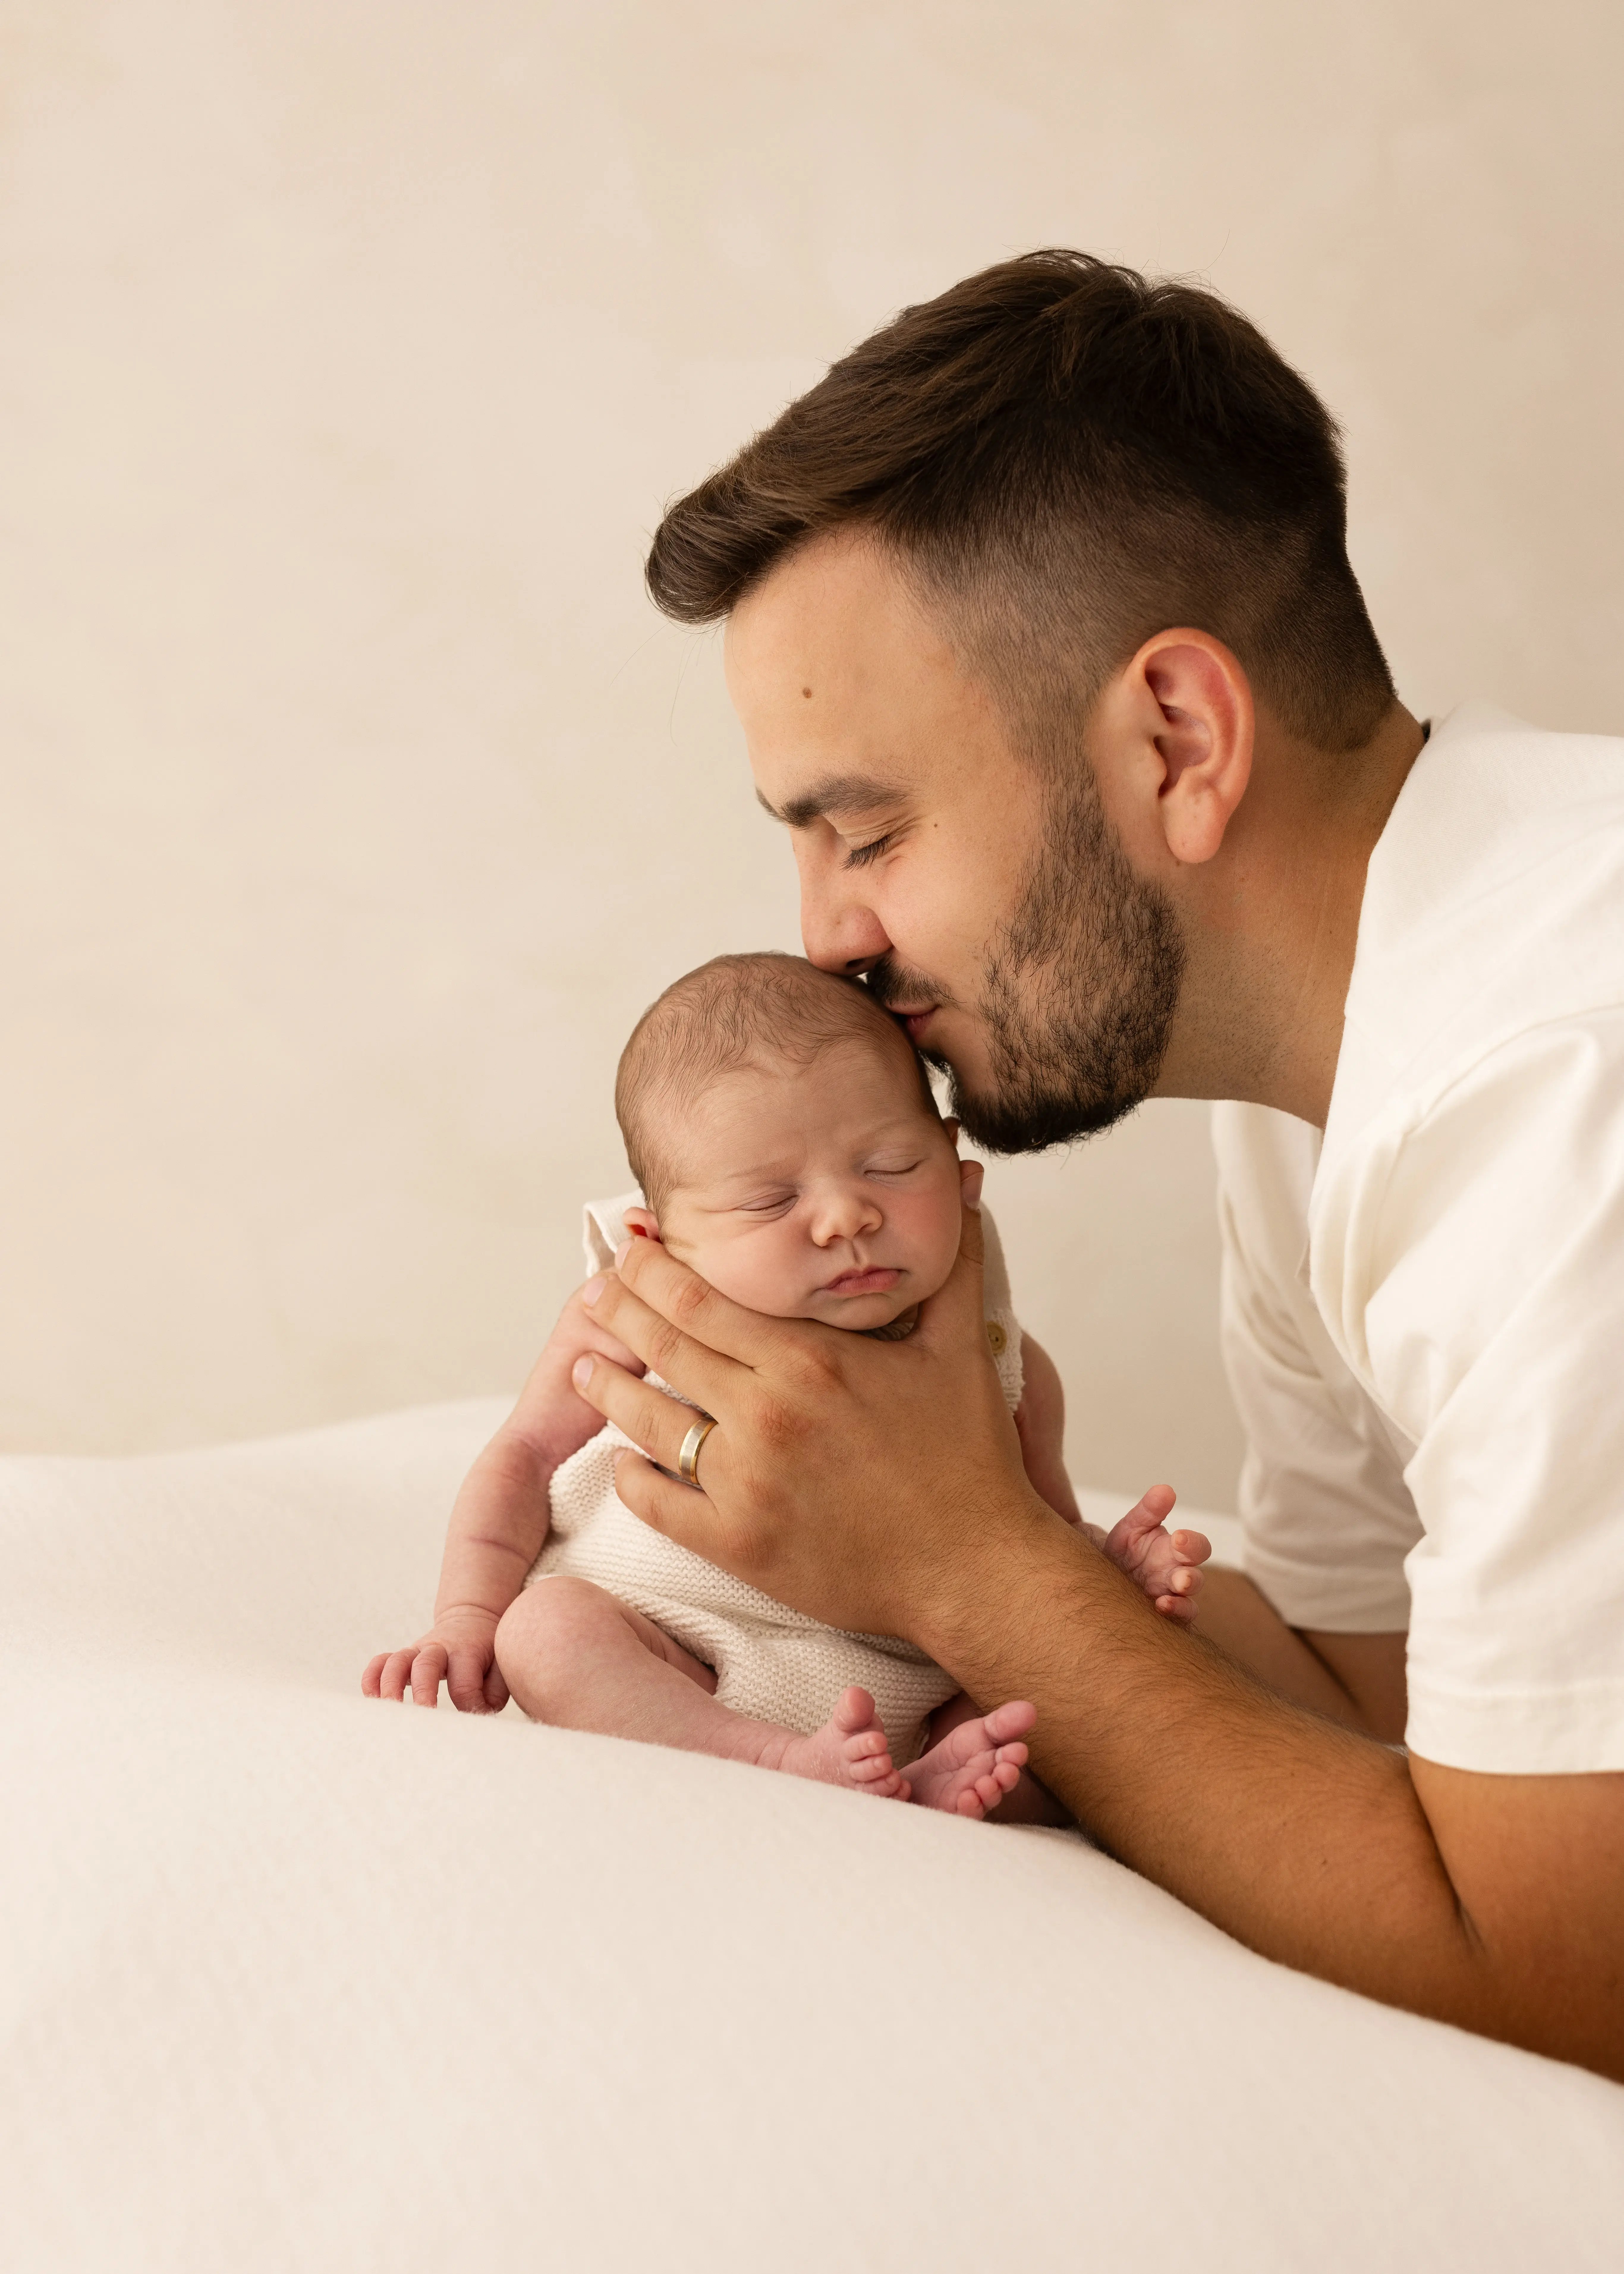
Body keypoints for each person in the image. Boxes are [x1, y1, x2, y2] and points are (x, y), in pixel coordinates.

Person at [550, 253, 1624, 2079]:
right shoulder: (1339, 1078)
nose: (823, 945)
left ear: (1175, 741)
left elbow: (1564, 1978)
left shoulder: (1554, 1077)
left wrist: (959, 1558)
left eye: (867, 828)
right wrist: (962, 1506)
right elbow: (1371, 1697)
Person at [363, 950, 1210, 1819]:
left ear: (960, 1170)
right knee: (544, 1634)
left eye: (889, 1166)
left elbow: (1036, 1544)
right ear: (656, 1239)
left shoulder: (998, 1360)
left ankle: (925, 1782)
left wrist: (1107, 1567)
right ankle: (769, 1757)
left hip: (912, 1680)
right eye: (771, 1202)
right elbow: (523, 1455)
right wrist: (466, 1614)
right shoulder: (623, 1312)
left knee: (1046, 1727)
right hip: (669, 1642)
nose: (847, 1216)